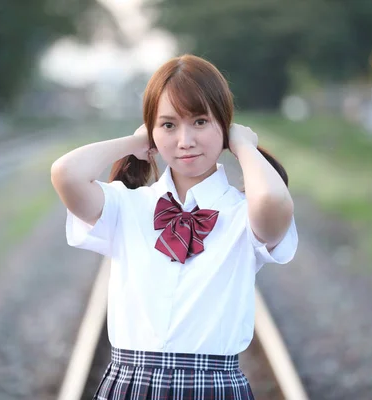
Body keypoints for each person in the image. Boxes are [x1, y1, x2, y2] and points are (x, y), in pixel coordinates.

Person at [51, 54, 298, 400]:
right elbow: (66, 173)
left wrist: (243, 146)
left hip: (214, 386)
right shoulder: (127, 204)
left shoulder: (243, 213)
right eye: (168, 125)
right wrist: (137, 143)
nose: (185, 140)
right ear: (152, 131)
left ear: (223, 126)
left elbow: (275, 201)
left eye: (200, 121)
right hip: (129, 384)